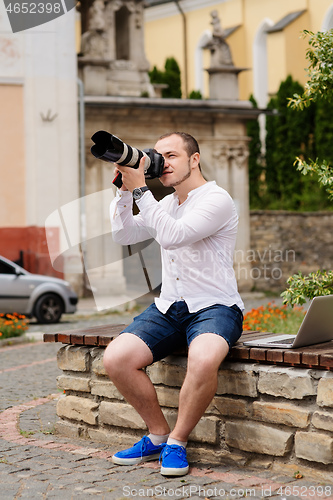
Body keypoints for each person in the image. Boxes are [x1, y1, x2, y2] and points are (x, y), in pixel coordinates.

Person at [103, 132, 244, 476]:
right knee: (116, 359)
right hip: (169, 307)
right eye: (158, 155)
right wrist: (124, 191)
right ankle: (158, 435)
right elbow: (124, 235)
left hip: (215, 306)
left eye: (172, 155)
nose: (163, 162)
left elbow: (173, 236)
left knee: (204, 357)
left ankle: (178, 441)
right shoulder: (166, 204)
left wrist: (141, 191)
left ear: (194, 159)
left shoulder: (217, 199)